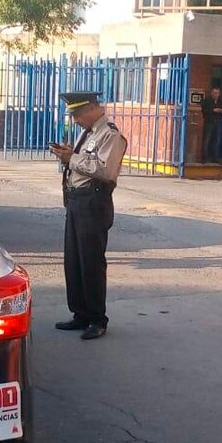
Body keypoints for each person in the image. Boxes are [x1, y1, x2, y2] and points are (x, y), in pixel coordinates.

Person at [49, 91, 128, 340]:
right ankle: (80, 314)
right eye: (73, 114)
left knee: (91, 262)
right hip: (77, 201)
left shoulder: (111, 135)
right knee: (74, 261)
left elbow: (105, 170)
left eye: (79, 113)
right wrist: (71, 154)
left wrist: (71, 159)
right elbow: (87, 160)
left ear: (94, 108)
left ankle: (97, 318)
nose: (75, 119)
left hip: (93, 203)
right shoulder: (91, 132)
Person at [201, 86, 222, 164]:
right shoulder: (206, 101)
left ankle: (215, 157)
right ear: (211, 93)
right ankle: (204, 158)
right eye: (215, 93)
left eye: (218, 93)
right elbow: (204, 110)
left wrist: (221, 111)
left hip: (218, 122)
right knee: (207, 140)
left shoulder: (221, 101)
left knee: (217, 140)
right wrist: (213, 110)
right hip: (209, 122)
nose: (216, 95)